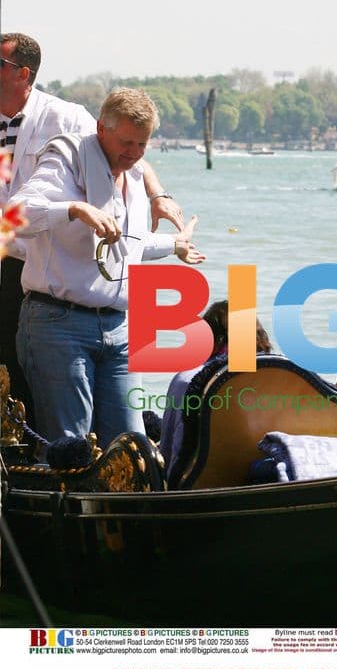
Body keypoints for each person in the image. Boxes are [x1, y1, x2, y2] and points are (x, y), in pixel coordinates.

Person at [0, 32, 184, 422]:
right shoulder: (76, 148)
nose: (133, 154)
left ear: (23, 73)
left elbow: (124, 145)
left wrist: (158, 197)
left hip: (24, 263)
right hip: (32, 280)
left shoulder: (67, 120)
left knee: (30, 396)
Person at [9, 86, 205, 450]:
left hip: (120, 328)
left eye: (142, 146)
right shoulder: (67, 155)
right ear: (101, 128)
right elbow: (15, 215)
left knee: (132, 449)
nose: (132, 154)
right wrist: (73, 209)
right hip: (59, 324)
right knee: (73, 451)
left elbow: (127, 244)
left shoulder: (134, 174)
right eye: (126, 143)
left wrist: (174, 245)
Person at [159, 300, 273, 480]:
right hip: (268, 470)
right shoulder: (279, 372)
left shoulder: (187, 380)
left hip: (202, 481)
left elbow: (169, 448)